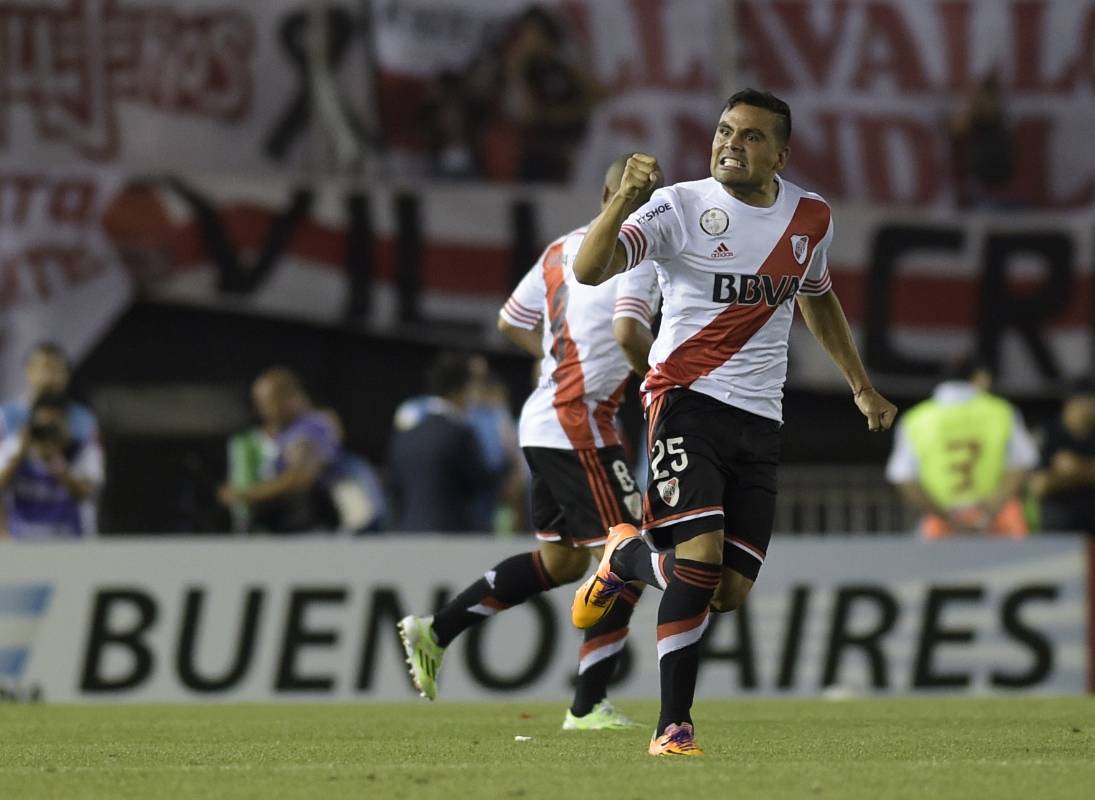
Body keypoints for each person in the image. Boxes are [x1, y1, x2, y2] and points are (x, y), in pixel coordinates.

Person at [567, 89, 897, 756]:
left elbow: (818, 297)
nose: (730, 144)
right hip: (683, 402)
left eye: (749, 137)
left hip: (760, 418)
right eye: (724, 131)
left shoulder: (809, 216)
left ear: (781, 152)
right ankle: (672, 727)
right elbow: (589, 268)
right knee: (700, 560)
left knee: (726, 594)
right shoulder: (678, 206)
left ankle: (627, 554)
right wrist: (623, 201)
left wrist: (860, 387)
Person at [398, 155, 661, 730]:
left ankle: (436, 630)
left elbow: (511, 321)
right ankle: (588, 705)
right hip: (578, 421)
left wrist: (555, 359)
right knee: (625, 553)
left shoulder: (558, 250)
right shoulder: (637, 257)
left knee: (563, 560)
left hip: (542, 418)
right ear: (613, 198)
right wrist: (663, 377)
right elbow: (625, 330)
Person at [218, 368, 384, 533]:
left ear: (289, 399)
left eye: (266, 402)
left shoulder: (310, 429)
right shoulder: (291, 430)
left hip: (336, 528)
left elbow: (301, 477)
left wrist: (244, 495)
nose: (261, 410)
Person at [886, 358, 1038, 538]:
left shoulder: (917, 419)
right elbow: (1022, 465)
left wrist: (948, 519)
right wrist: (986, 513)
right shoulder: (1001, 412)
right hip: (999, 522)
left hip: (942, 527)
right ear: (979, 378)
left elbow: (904, 478)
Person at [388, 353, 506, 533]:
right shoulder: (460, 434)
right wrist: (508, 464)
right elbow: (480, 484)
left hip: (408, 533)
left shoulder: (405, 435)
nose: (471, 399)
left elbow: (395, 487)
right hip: (453, 538)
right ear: (458, 390)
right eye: (469, 391)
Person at [0, 392, 103, 539]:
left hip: (70, 543)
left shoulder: (82, 451)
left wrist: (56, 462)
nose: (48, 433)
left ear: (67, 423)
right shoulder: (14, 447)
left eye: (54, 426)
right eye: (44, 425)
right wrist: (20, 455)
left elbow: (86, 494)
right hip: (22, 543)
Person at [0, 342, 98, 448]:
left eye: (58, 369)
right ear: (29, 371)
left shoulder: (84, 419)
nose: (51, 376)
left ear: (67, 375)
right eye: (45, 368)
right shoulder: (5, 416)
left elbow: (93, 460)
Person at [1030, 377, 1095, 533]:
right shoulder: (1048, 433)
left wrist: (1076, 469)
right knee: (1054, 513)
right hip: (1060, 516)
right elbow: (1037, 486)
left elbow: (1070, 469)